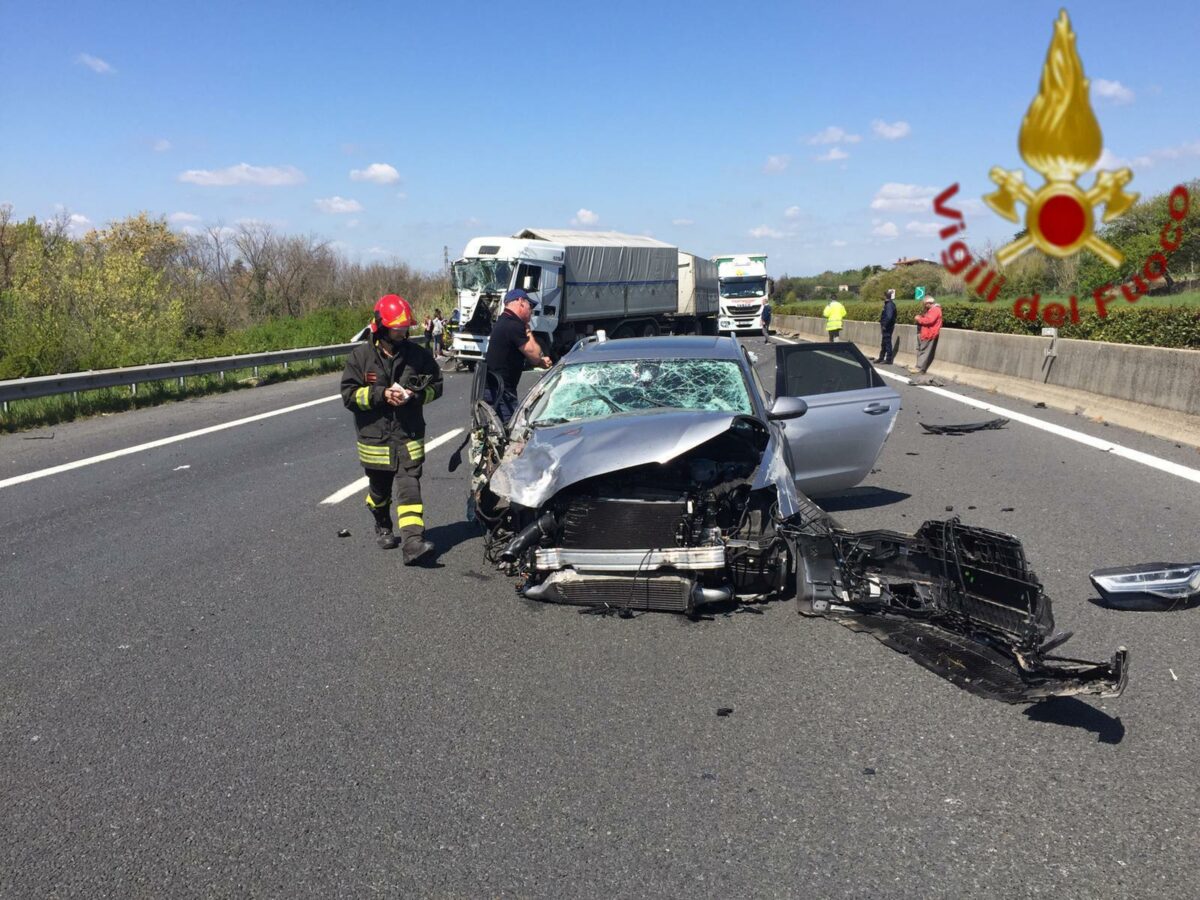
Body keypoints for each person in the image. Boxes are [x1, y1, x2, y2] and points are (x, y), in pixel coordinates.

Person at [341, 294, 443, 564]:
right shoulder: (360, 358)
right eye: (397, 329)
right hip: (375, 439)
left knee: (410, 486)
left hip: (408, 435)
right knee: (380, 490)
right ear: (381, 327)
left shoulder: (418, 356)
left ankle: (413, 543)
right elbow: (349, 396)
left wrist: (416, 395)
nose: (402, 333)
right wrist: (380, 395)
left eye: (404, 328)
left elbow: (437, 386)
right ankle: (382, 521)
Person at [483, 288, 552, 424]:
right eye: (530, 306)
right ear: (520, 302)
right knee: (513, 432)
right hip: (501, 392)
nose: (531, 311)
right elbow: (535, 355)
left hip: (493, 388)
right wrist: (527, 330)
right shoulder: (514, 325)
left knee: (497, 432)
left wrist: (539, 362)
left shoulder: (504, 321)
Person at [910, 295, 943, 375]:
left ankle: (919, 368)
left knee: (924, 351)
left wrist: (919, 319)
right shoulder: (932, 310)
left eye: (925, 304)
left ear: (929, 303)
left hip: (929, 333)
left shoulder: (935, 310)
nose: (924, 306)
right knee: (921, 350)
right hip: (926, 333)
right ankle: (919, 367)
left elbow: (929, 320)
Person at [875, 288, 897, 364]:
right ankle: (881, 357)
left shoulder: (889, 305)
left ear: (885, 297)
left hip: (887, 327)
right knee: (884, 343)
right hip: (887, 326)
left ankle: (888, 359)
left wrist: (884, 325)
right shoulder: (889, 304)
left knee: (887, 343)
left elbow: (889, 316)